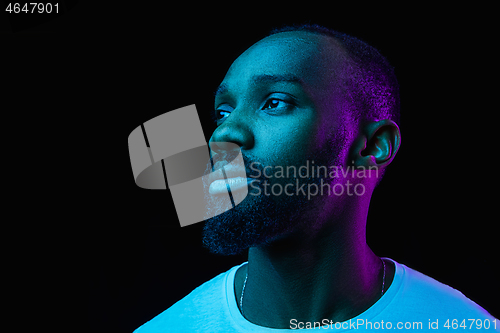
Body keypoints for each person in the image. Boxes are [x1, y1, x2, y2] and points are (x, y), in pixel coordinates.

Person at [134, 24, 499, 332]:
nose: (222, 135)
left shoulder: (461, 324)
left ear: (372, 146)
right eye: (223, 112)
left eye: (275, 102)